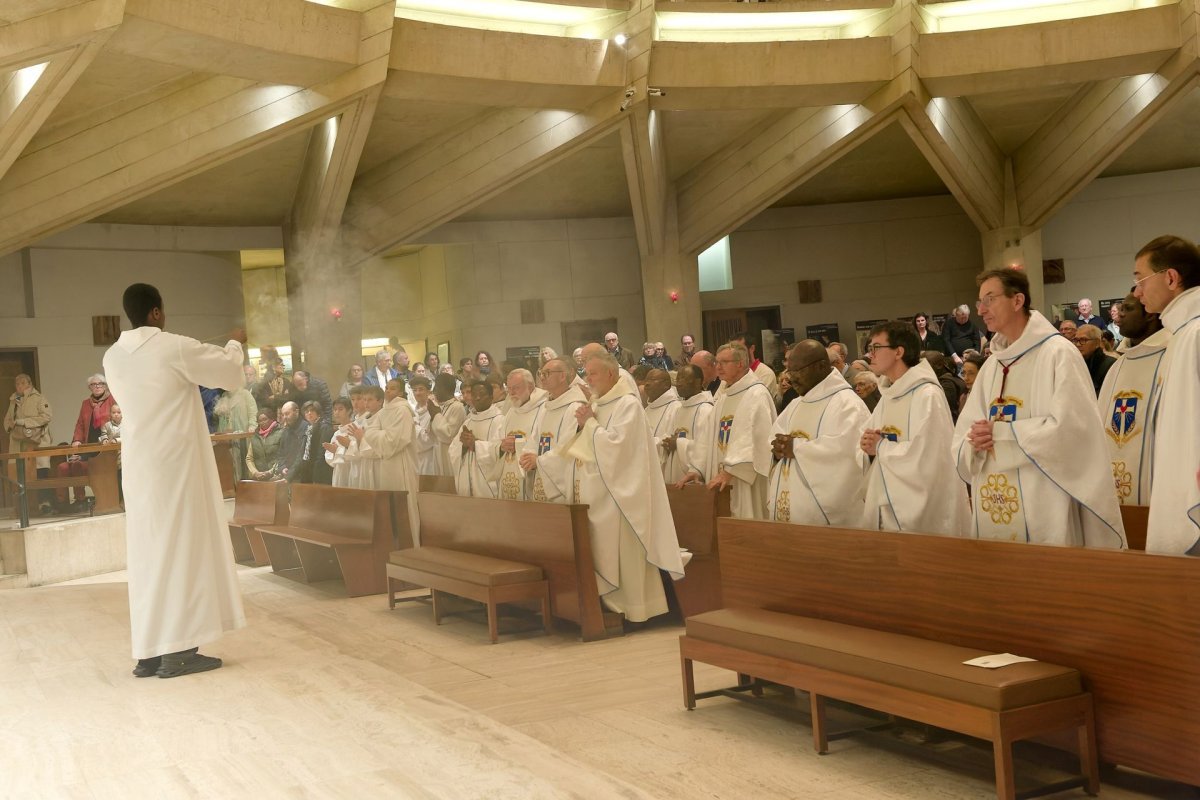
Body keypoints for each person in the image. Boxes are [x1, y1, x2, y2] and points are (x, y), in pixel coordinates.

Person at [102, 282, 246, 679]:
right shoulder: (172, 347)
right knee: (183, 550)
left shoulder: (112, 356)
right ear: (155, 312)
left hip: (139, 468)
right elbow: (229, 373)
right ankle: (179, 652)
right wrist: (235, 343)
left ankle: (150, 652)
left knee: (148, 556)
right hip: (176, 464)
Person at [953, 268, 1126, 548]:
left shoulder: (1059, 353)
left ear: (1017, 300)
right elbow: (965, 432)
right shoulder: (992, 365)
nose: (981, 310)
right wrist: (973, 442)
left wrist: (1002, 434)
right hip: (992, 500)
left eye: (989, 299)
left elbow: (1075, 431)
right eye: (979, 302)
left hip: (1044, 501)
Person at [559, 354, 684, 622]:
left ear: (610, 374)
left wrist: (589, 424)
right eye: (586, 373)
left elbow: (618, 448)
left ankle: (635, 610)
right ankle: (608, 604)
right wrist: (582, 426)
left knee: (625, 555)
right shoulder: (597, 403)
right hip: (599, 495)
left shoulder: (628, 405)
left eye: (592, 373)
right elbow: (584, 446)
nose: (587, 379)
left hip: (621, 497)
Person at [858, 321, 968, 536]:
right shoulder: (889, 394)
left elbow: (928, 456)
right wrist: (866, 444)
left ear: (899, 352)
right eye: (869, 348)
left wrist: (880, 447)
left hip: (921, 509)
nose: (870, 354)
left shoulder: (927, 395)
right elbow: (871, 441)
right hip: (887, 499)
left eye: (876, 347)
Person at [1133, 235, 1200, 553]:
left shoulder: (1196, 333)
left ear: (1171, 278)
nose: (1137, 292)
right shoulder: (1182, 333)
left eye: (1140, 280)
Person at [767, 341, 869, 526]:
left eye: (797, 371)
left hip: (829, 522)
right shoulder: (796, 404)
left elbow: (848, 453)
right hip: (789, 510)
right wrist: (776, 450)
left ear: (821, 366)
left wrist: (797, 448)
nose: (791, 379)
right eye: (789, 371)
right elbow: (774, 439)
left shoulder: (848, 405)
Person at [677, 343, 777, 519]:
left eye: (724, 362)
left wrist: (731, 470)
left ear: (740, 364)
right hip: (721, 478)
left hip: (744, 480)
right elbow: (706, 437)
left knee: (745, 522)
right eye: (717, 362)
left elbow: (756, 438)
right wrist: (696, 468)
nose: (718, 367)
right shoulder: (724, 397)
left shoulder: (756, 394)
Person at [1096, 291, 1169, 506]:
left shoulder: (1171, 358)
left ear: (1150, 314)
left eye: (1128, 309)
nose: (1120, 315)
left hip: (1159, 484)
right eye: (1120, 309)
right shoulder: (1118, 366)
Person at [351, 378, 420, 541]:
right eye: (387, 387)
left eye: (393, 388)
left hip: (401, 465)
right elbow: (372, 433)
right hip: (386, 466)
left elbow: (395, 440)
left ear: (401, 392)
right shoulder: (383, 412)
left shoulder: (403, 410)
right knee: (389, 508)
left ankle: (410, 543)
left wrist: (373, 435)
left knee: (404, 506)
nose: (388, 391)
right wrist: (374, 435)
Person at [520, 357, 588, 503]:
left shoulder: (575, 406)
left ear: (562, 376)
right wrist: (528, 455)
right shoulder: (546, 407)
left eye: (547, 373)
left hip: (559, 486)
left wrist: (539, 461)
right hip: (541, 474)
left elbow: (568, 446)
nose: (542, 377)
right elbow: (535, 438)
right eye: (541, 373)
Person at [57, 374, 118, 509]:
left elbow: (118, 421)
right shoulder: (86, 403)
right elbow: (80, 424)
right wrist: (77, 440)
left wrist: (112, 438)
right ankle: (80, 500)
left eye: (100, 384)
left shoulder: (112, 400)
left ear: (105, 386)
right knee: (74, 464)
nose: (97, 386)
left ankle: (107, 499)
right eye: (93, 384)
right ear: (89, 387)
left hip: (106, 445)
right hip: (88, 445)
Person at [3, 373, 54, 514]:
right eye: (17, 384)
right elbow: (8, 419)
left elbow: (47, 416)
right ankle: (24, 508)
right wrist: (8, 426)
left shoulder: (39, 398)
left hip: (37, 441)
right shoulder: (13, 400)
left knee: (40, 471)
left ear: (29, 384)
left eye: (22, 383)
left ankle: (45, 503)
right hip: (18, 441)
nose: (19, 386)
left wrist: (23, 422)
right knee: (18, 473)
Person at [496, 368, 548, 500]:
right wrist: (502, 446)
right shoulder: (511, 411)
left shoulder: (544, 408)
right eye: (509, 388)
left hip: (532, 476)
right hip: (508, 475)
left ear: (530, 387)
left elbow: (544, 440)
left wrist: (517, 444)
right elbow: (499, 438)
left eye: (516, 388)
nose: (511, 393)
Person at [448, 380, 505, 497]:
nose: (477, 398)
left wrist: (475, 445)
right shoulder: (468, 421)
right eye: (474, 395)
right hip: (467, 485)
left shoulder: (500, 420)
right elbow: (453, 450)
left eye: (482, 394)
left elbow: (501, 451)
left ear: (491, 397)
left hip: (488, 488)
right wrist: (463, 446)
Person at [659, 364, 713, 484]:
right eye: (678, 379)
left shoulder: (705, 410)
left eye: (684, 378)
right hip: (674, 475)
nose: (678, 383)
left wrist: (678, 443)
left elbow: (705, 448)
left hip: (694, 479)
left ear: (698, 382)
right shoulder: (679, 409)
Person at [214, 375, 257, 481]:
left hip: (242, 434)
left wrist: (252, 426)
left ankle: (244, 484)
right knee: (230, 461)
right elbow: (220, 418)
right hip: (227, 437)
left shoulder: (245, 394)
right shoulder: (224, 396)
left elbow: (253, 412)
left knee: (242, 460)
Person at [643, 369, 680, 478]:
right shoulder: (646, 410)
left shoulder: (676, 408)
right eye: (646, 380)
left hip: (665, 470)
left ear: (666, 384)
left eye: (652, 379)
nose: (647, 384)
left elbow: (672, 440)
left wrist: (643, 444)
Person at [428, 372, 467, 476]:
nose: (434, 390)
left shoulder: (457, 407)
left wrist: (436, 415)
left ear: (445, 388)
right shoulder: (440, 406)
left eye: (437, 386)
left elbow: (449, 435)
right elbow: (432, 435)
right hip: (438, 454)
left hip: (450, 456)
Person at [729, 331, 780, 406]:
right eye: (732, 350)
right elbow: (718, 400)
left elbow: (757, 402)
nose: (735, 354)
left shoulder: (766, 373)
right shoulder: (729, 372)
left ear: (752, 348)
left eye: (739, 350)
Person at [409, 376, 439, 476]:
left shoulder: (434, 410)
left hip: (430, 459)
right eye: (415, 390)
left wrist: (415, 426)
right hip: (415, 459)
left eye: (421, 389)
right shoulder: (413, 411)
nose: (417, 393)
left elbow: (430, 440)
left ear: (428, 392)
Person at [923, 351, 965, 422]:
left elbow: (941, 411)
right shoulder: (949, 379)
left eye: (925, 366)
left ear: (939, 365)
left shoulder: (947, 385)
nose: (922, 369)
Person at [1073, 324, 1115, 395]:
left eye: (1083, 340)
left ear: (1097, 342)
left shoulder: (1111, 364)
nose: (1078, 344)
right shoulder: (1074, 363)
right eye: (1076, 340)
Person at [322, 397, 355, 487]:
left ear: (349, 411)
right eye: (335, 409)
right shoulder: (336, 433)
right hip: (338, 471)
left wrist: (337, 451)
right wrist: (333, 452)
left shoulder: (354, 430)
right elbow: (328, 456)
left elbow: (356, 453)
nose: (337, 412)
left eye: (340, 409)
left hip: (351, 471)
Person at [247, 409, 283, 480]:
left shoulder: (281, 433)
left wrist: (270, 472)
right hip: (259, 477)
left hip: (276, 476)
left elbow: (283, 456)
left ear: (271, 419)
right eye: (260, 421)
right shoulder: (255, 436)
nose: (262, 422)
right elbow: (249, 458)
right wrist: (255, 473)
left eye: (265, 419)